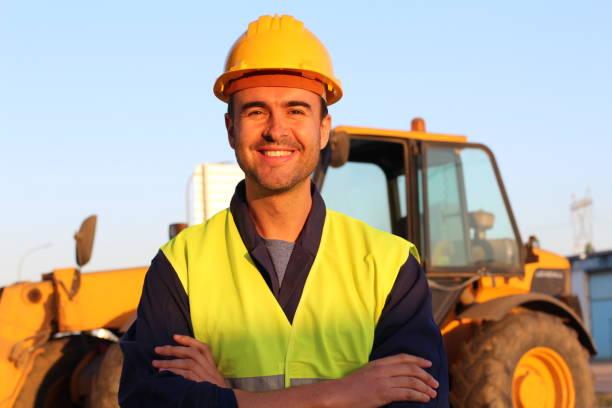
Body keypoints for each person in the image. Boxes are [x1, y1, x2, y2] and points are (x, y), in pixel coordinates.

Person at [119, 14, 448, 407]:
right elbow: (153, 401)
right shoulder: (181, 264)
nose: (276, 130)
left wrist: (224, 397)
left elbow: (418, 401)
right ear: (230, 129)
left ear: (324, 128)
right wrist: (339, 395)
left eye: (296, 110)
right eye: (256, 111)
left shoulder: (388, 265)